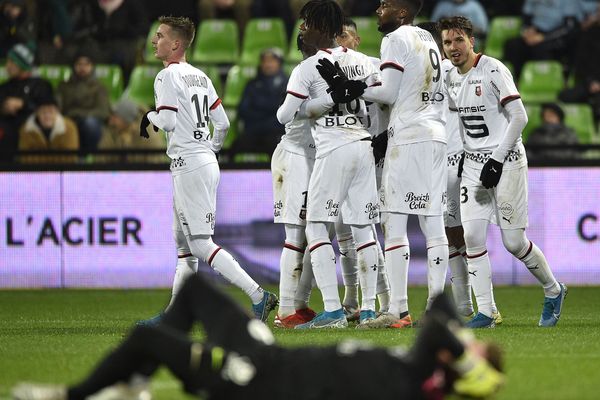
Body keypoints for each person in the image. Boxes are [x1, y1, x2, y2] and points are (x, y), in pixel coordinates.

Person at [11, 274, 506, 400]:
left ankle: (71, 395)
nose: (464, 339)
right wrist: (467, 355)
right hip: (269, 356)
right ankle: (135, 383)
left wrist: (467, 362)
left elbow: (438, 325)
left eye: (471, 349)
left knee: (146, 337)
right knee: (197, 289)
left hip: (253, 384)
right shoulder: (421, 370)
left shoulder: (415, 386)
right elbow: (441, 306)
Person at [138, 16, 277, 323]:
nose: (154, 41)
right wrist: (209, 147)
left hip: (189, 164)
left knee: (200, 243)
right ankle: (172, 317)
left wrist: (149, 114)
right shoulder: (201, 76)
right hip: (201, 161)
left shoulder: (166, 77)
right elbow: (224, 123)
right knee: (185, 244)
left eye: (159, 36)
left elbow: (169, 122)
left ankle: (258, 295)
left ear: (175, 43)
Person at [326, 0, 450, 329]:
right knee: (433, 223)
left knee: (393, 222)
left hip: (408, 134)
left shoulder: (395, 38)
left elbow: (390, 91)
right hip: (436, 134)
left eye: (385, 5)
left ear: (402, 12)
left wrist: (352, 89)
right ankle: (438, 309)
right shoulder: (427, 38)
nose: (379, 9)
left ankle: (397, 309)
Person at [440, 16, 567, 328]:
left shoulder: (493, 69)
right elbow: (463, 122)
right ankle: (486, 312)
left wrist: (495, 160)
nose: (453, 48)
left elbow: (519, 116)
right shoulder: (451, 78)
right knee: (470, 236)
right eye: (447, 42)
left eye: (458, 41)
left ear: (472, 41)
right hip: (473, 165)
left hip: (506, 160)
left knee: (513, 243)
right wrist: (465, 155)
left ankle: (553, 289)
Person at [276, 0, 382, 328]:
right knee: (364, 229)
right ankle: (367, 309)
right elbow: (386, 93)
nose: (302, 28)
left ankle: (334, 310)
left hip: (332, 148)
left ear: (322, 27)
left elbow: (283, 115)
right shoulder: (364, 61)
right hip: (364, 146)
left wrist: (320, 102)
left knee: (315, 226)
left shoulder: (307, 68)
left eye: (307, 23)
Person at [418, 20, 503, 325]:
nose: (449, 47)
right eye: (445, 42)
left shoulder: (447, 70)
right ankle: (464, 305)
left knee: (461, 234)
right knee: (449, 233)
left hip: (456, 157)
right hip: (438, 157)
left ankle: (485, 305)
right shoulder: (427, 71)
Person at [334, 17, 391, 320]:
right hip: (346, 155)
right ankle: (351, 298)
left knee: (369, 228)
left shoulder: (375, 67)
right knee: (344, 231)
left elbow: (392, 104)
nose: (342, 42)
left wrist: (386, 138)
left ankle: (384, 301)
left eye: (346, 36)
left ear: (356, 40)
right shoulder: (327, 68)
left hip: (376, 158)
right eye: (337, 37)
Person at [271, 34, 319, 329]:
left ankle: (300, 304)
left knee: (317, 233)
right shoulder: (304, 71)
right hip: (295, 157)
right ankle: (285, 309)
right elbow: (283, 115)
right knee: (296, 234)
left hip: (317, 157)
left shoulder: (327, 67)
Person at [0, 43, 54, 162]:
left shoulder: (41, 85)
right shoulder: (4, 87)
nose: (7, 66)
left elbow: (48, 109)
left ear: (22, 65)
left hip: (31, 127)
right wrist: (4, 108)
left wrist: (23, 104)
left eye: (11, 62)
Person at [503, 0, 580, 80]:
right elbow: (526, 17)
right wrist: (527, 31)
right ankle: (514, 80)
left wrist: (544, 37)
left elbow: (569, 26)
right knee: (512, 45)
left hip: (555, 36)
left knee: (540, 49)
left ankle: (539, 82)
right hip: (535, 32)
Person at [233, 47, 288, 158]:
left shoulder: (288, 84)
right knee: (236, 147)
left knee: (277, 146)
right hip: (254, 130)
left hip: (276, 131)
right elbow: (243, 110)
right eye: (265, 61)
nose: (268, 64)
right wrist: (270, 109)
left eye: (272, 61)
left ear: (279, 63)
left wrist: (259, 105)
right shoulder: (252, 84)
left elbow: (283, 111)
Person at [56, 51, 111, 154]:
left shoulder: (99, 87)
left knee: (90, 124)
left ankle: (91, 157)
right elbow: (57, 107)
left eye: (86, 64)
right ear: (74, 66)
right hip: (68, 120)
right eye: (79, 64)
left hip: (90, 121)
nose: (82, 68)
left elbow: (103, 112)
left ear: (92, 67)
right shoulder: (64, 86)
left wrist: (78, 114)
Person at [97, 97, 166, 164]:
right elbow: (100, 160)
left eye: (115, 117)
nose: (111, 121)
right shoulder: (111, 130)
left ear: (126, 120)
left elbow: (155, 166)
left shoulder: (149, 135)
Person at [18, 94, 79, 164]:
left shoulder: (69, 128)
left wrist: (40, 158)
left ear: (57, 111)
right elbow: (25, 158)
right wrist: (54, 158)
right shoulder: (26, 129)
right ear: (37, 113)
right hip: (34, 172)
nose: (47, 115)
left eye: (51, 111)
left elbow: (70, 158)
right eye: (43, 111)